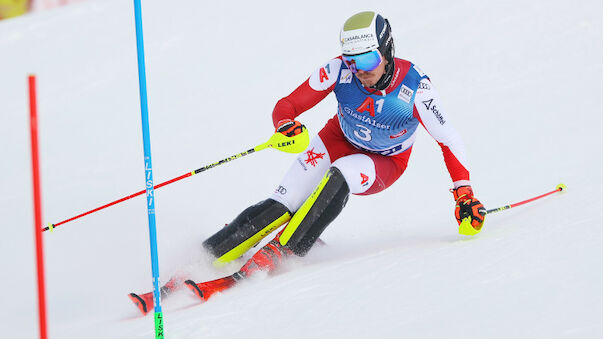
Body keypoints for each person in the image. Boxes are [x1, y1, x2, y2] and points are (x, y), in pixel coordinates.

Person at [129, 11, 488, 313]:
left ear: (387, 51)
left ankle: (284, 249)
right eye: (352, 60)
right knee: (281, 201)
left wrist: (464, 194)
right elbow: (286, 105)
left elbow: (448, 139)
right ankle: (209, 252)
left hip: (382, 163)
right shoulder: (338, 70)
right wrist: (286, 126)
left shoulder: (416, 88)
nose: (360, 70)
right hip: (336, 139)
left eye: (368, 60)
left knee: (341, 173)